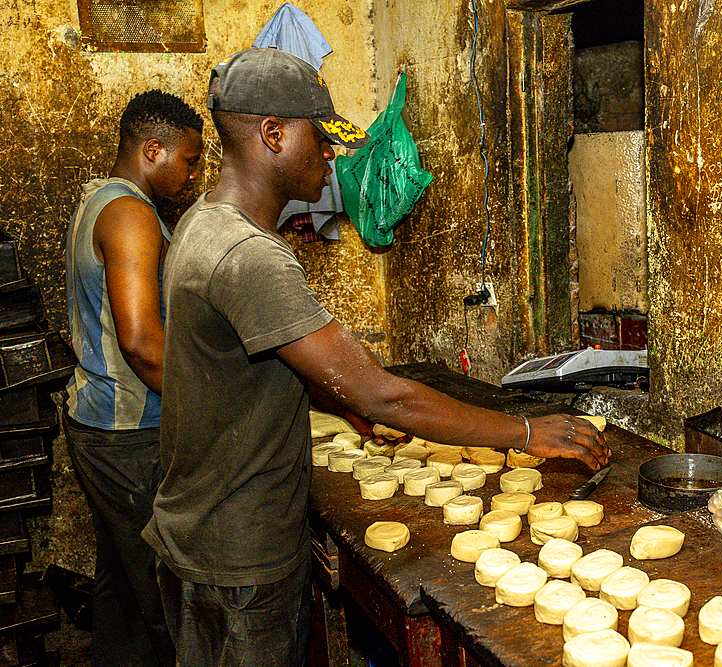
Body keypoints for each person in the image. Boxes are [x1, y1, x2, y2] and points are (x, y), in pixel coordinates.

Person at [141, 47, 609, 667]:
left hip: (200, 530)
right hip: (238, 557)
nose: (334, 155)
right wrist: (525, 431)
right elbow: (382, 392)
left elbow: (255, 359)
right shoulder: (249, 255)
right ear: (274, 134)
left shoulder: (203, 224)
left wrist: (335, 397)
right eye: (323, 138)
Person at [63, 89, 203, 667]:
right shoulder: (130, 215)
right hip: (128, 433)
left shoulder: (98, 199)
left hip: (97, 422)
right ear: (153, 150)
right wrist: (207, 408)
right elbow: (144, 345)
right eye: (190, 161)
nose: (193, 175)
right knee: (163, 596)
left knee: (119, 585)